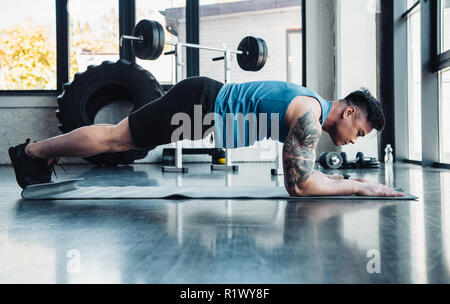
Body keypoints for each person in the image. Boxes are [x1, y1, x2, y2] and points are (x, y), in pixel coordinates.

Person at [8, 76, 404, 197]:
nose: (354, 140)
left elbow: (308, 174)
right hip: (201, 104)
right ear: (349, 112)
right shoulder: (309, 115)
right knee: (119, 138)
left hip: (203, 108)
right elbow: (299, 186)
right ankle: (31, 153)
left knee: (124, 139)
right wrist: (357, 188)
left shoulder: (313, 109)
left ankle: (34, 154)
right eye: (361, 131)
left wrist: (343, 179)